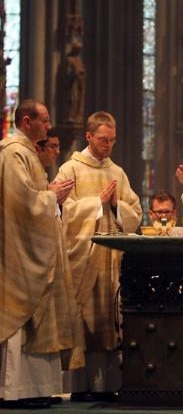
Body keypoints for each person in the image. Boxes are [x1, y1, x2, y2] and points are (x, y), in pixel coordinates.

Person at [0, 99, 84, 409]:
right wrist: (51, 196)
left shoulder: (27, 153)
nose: (49, 127)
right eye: (44, 121)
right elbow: (21, 202)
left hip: (36, 247)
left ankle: (37, 388)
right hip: (21, 253)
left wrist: (48, 196)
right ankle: (17, 390)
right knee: (25, 319)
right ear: (26, 121)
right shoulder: (14, 154)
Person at [56, 111, 142, 401]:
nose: (108, 145)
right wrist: (97, 203)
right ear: (89, 136)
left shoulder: (117, 173)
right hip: (84, 260)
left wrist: (117, 206)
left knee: (110, 324)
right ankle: (81, 386)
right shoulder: (70, 170)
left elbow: (136, 214)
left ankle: (107, 385)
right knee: (85, 325)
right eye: (103, 139)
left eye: (112, 140)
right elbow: (61, 210)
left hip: (111, 264)